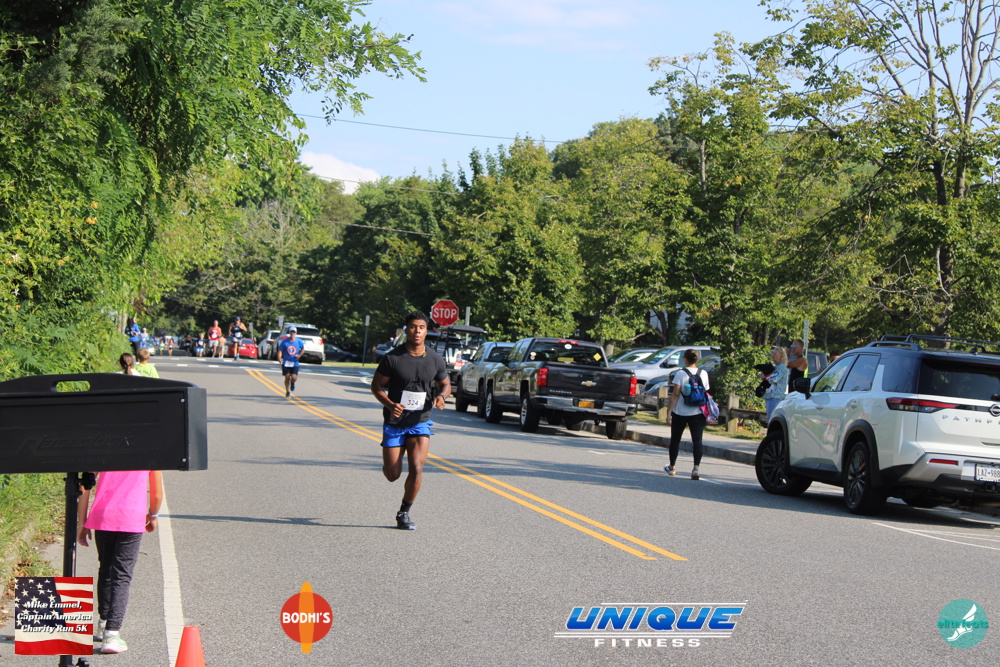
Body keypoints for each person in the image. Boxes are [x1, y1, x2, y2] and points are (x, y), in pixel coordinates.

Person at [370, 312, 450, 530]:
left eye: (421, 327)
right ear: (406, 330)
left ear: (426, 331)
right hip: (395, 421)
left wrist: (442, 397)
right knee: (393, 475)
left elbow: (445, 384)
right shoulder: (393, 358)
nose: (417, 331)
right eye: (413, 327)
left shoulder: (435, 359)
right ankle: (391, 461)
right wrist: (389, 404)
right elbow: (376, 386)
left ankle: (404, 512)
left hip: (420, 420)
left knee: (417, 467)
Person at [77, 469, 163, 654]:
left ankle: (103, 623)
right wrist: (153, 515)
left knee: (105, 569)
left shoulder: (103, 451)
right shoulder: (150, 455)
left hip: (102, 514)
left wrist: (82, 522)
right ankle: (112, 633)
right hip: (131, 517)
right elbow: (156, 494)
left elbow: (85, 484)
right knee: (121, 576)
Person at [663, 349, 708, 480]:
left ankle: (672, 467)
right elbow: (705, 391)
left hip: (680, 412)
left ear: (685, 359)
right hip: (698, 413)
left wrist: (669, 411)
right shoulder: (703, 373)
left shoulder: (680, 373)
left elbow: (675, 394)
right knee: (697, 441)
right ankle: (696, 469)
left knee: (675, 440)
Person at [277, 327, 305, 398]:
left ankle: (292, 383)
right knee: (287, 376)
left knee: (294, 377)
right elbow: (280, 350)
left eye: (294, 332)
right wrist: (279, 357)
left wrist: (299, 355)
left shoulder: (299, 341)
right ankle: (287, 392)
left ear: (296, 333)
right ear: (289, 333)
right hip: (286, 362)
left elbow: (303, 349)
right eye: (291, 332)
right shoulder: (285, 341)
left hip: (294, 362)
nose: (292, 334)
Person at [763, 347, 789, 422]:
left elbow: (775, 379)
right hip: (772, 397)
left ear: (781, 355)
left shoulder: (781, 367)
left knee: (772, 420)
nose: (773, 355)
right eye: (772, 353)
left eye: (775, 353)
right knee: (771, 419)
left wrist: (765, 377)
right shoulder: (777, 367)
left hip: (775, 398)